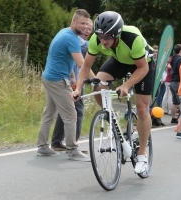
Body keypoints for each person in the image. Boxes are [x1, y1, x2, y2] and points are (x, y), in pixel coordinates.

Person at [71, 11, 154, 174]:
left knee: (142, 108)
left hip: (142, 64)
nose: (103, 41)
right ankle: (110, 115)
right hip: (120, 60)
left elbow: (143, 68)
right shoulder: (97, 40)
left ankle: (142, 154)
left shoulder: (132, 38)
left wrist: (126, 86)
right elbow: (86, 66)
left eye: (107, 38)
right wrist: (79, 89)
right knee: (97, 86)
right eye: (100, 37)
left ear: (117, 34)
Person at [37, 9, 94, 162]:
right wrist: (96, 81)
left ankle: (42, 147)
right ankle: (73, 150)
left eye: (86, 24)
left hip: (49, 77)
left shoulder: (64, 32)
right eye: (82, 23)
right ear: (74, 21)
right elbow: (82, 63)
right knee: (71, 114)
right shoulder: (72, 39)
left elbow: (63, 58)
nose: (84, 26)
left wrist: (73, 76)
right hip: (57, 80)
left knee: (49, 113)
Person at [51, 20, 93, 153]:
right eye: (85, 27)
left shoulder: (73, 39)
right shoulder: (78, 41)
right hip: (72, 82)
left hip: (72, 80)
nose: (88, 31)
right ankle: (73, 146)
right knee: (78, 111)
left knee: (65, 112)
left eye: (90, 29)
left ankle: (57, 142)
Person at [169, 44, 181, 124]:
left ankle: (173, 118)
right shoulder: (180, 59)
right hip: (178, 82)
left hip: (172, 81)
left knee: (175, 101)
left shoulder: (173, 58)